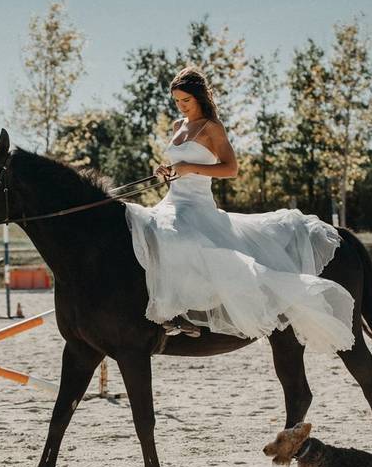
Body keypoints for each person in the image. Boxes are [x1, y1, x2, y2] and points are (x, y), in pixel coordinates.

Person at [125, 66, 355, 353]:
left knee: (184, 241)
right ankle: (165, 310)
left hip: (197, 205)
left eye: (186, 101)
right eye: (177, 101)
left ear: (199, 98)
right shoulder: (177, 126)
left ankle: (183, 315)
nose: (181, 106)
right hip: (172, 201)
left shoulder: (212, 128)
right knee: (150, 237)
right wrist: (167, 171)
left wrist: (188, 168)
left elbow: (230, 168)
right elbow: (178, 166)